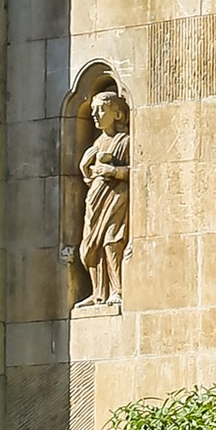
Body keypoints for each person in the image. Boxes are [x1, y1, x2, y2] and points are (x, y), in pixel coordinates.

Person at [76, 84, 131, 307]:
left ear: (117, 114)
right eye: (93, 112)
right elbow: (89, 177)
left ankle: (116, 289)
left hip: (116, 197)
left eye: (101, 110)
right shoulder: (97, 143)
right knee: (90, 246)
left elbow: (135, 170)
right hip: (95, 199)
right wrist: (85, 167)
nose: (96, 116)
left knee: (112, 240)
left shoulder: (125, 141)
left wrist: (112, 171)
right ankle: (98, 292)